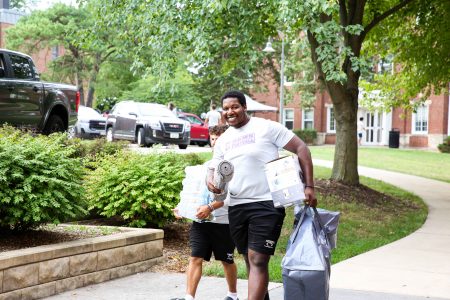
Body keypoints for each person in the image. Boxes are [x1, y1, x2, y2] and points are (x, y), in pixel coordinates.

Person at [207, 90, 316, 300]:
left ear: (244, 107)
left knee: (257, 258)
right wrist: (210, 181)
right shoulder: (223, 140)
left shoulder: (266, 127)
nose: (230, 112)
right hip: (237, 206)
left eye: (235, 107)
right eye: (226, 108)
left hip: (267, 203)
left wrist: (309, 186)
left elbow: (301, 148)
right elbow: (213, 169)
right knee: (250, 260)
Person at [172, 125, 238, 300]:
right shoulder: (205, 167)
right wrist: (183, 208)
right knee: (195, 257)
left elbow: (234, 197)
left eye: (219, 138)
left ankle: (232, 295)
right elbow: (193, 191)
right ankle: (189, 297)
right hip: (201, 222)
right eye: (213, 138)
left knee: (227, 260)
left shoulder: (232, 167)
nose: (215, 142)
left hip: (224, 222)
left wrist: (210, 208)